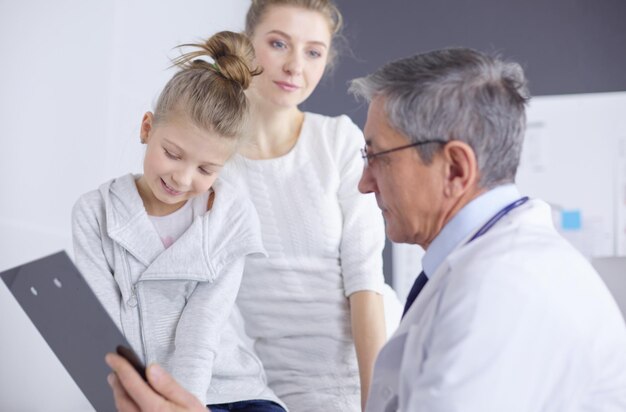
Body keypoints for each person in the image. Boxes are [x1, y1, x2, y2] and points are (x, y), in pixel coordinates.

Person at [105, 47, 626, 411]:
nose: (364, 183)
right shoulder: (475, 270)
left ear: (456, 170)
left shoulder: (503, 290)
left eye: (377, 157)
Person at [72, 31, 285, 411]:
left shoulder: (230, 217)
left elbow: (201, 329)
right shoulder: (95, 212)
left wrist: (188, 406)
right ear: (147, 128)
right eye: (172, 154)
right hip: (147, 395)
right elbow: (103, 333)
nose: (183, 179)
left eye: (206, 168)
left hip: (233, 392)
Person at [217, 1, 399, 410]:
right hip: (274, 390)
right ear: (246, 46)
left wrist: (376, 403)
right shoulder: (212, 161)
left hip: (373, 371)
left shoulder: (337, 141)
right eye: (279, 44)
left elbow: (365, 282)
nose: (295, 66)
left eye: (313, 52)